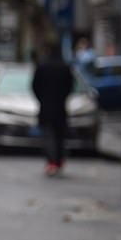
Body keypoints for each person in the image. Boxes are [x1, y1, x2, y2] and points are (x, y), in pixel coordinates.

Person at [32, 41, 75, 177]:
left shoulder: (42, 66)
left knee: (48, 135)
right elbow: (70, 86)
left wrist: (42, 98)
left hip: (46, 107)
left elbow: (35, 86)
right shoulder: (64, 67)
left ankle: (51, 162)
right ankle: (59, 160)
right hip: (60, 107)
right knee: (60, 136)